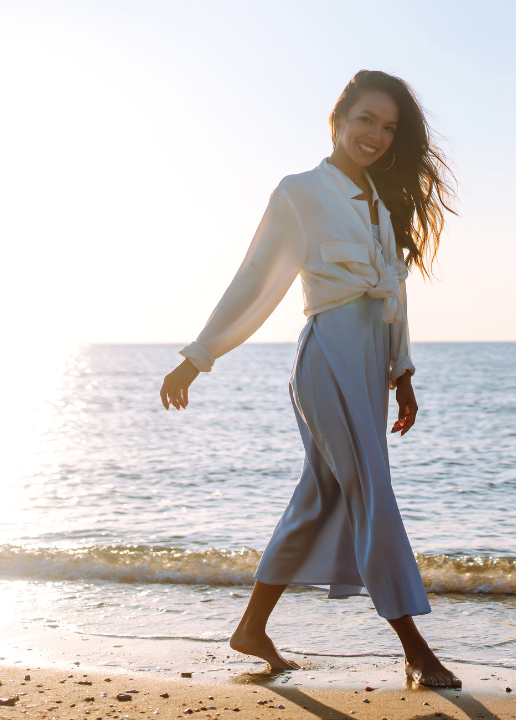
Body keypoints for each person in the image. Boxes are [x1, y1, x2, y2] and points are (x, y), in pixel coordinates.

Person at [158, 70, 459, 687]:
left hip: (371, 364)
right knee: (372, 492)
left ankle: (251, 627)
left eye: (388, 127)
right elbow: (255, 278)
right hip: (328, 357)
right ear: (337, 120)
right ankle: (415, 649)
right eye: (365, 120)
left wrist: (402, 375)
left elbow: (393, 293)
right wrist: (199, 355)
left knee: (322, 496)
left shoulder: (381, 202)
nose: (375, 135)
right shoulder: (300, 192)